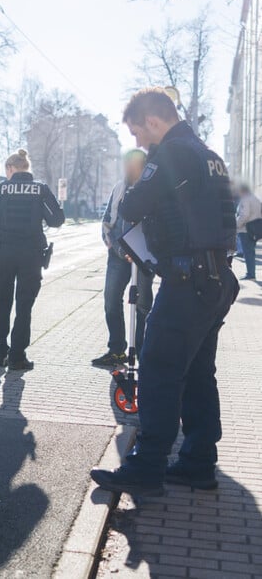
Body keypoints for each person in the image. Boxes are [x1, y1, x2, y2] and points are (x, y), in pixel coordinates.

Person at [91, 88, 238, 496]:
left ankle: (148, 466)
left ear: (153, 120)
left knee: (158, 369)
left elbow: (132, 207)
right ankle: (198, 461)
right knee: (196, 374)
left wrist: (146, 176)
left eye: (138, 132)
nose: (139, 142)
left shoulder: (172, 154)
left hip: (187, 282)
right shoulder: (209, 156)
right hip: (216, 281)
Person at [0, 148, 65, 371]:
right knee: (24, 307)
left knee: (2, 304)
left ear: (10, 168)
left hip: (5, 254)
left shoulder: (1, 189)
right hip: (31, 256)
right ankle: (17, 356)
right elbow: (56, 220)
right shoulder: (41, 190)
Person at [92, 149, 154, 367]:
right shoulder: (121, 187)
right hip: (119, 256)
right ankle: (117, 349)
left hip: (145, 257)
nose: (130, 167)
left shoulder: (153, 189)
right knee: (111, 301)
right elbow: (107, 222)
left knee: (143, 305)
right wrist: (118, 249)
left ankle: (142, 352)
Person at [235, 183, 261, 280]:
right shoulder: (255, 198)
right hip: (254, 229)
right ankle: (251, 272)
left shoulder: (245, 199)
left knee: (248, 253)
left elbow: (244, 215)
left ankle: (250, 274)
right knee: (251, 252)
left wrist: (236, 225)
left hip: (245, 229)